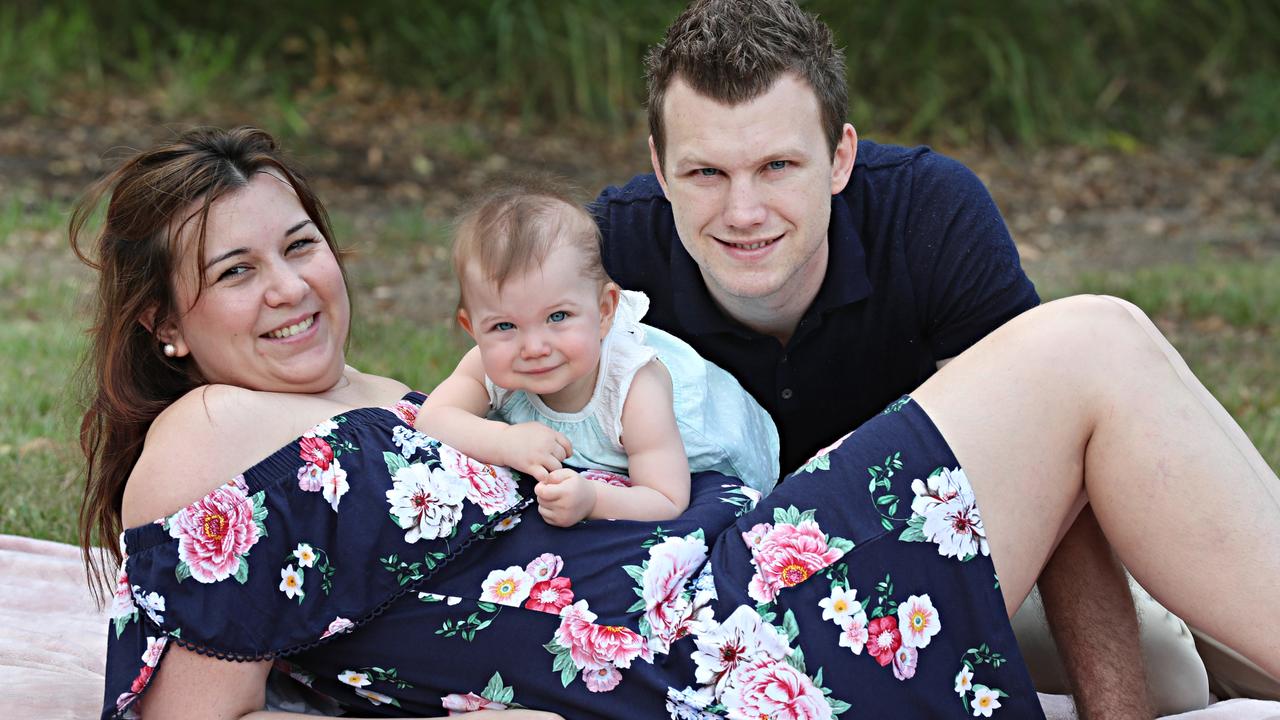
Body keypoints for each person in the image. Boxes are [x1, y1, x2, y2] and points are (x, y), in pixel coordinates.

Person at [78, 128, 1280, 720]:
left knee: (1169, 649)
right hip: (704, 651)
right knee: (1088, 344)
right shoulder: (206, 432)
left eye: (298, 245)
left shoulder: (377, 399)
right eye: (235, 272)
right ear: (166, 323)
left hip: (721, 587)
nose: (290, 287)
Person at [589, 0, 1243, 714]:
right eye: (705, 173)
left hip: (950, 557)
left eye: (778, 166)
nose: (744, 211)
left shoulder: (927, 212)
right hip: (739, 611)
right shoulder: (605, 266)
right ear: (658, 166)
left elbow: (1055, 464)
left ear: (840, 158)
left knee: (1171, 675)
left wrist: (1111, 711)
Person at [415, 182, 780, 526]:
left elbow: (666, 499)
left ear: (604, 311)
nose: (535, 348)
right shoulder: (486, 364)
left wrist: (592, 501)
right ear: (472, 328)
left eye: (558, 317)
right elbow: (432, 418)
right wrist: (505, 442)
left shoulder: (634, 387)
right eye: (504, 327)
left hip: (710, 463)